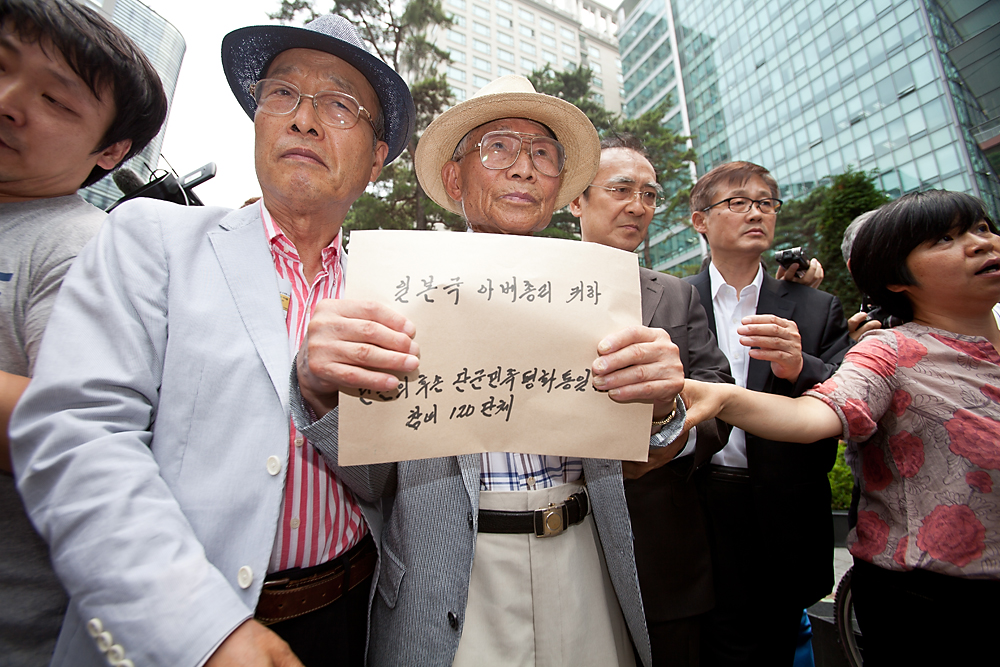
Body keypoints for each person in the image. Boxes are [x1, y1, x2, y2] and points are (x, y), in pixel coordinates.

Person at [10, 15, 415, 667]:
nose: (304, 119)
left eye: (339, 104)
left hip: (353, 619)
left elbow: (398, 477)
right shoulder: (152, 241)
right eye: (282, 93)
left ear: (374, 160)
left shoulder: (392, 297)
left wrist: (328, 408)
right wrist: (202, 628)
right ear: (256, 120)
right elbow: (78, 434)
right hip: (181, 631)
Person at [292, 76, 686, 667]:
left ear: (560, 186)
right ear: (455, 178)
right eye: (498, 147)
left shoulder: (604, 292)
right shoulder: (395, 290)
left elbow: (649, 451)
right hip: (449, 581)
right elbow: (371, 482)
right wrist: (323, 395)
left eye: (542, 154)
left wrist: (661, 408)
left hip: (586, 560)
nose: (523, 168)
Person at [681, 189, 1000, 665]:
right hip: (932, 601)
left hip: (788, 525)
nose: (980, 244)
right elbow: (819, 412)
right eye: (944, 239)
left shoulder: (817, 304)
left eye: (982, 228)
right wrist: (724, 397)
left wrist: (798, 364)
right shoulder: (888, 351)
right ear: (894, 276)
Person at [0, 1, 167, 663]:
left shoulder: (80, 247)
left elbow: (77, 426)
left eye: (57, 101)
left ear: (111, 151)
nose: (11, 104)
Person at [569, 133, 733, 666]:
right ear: (576, 199)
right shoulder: (530, 282)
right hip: (560, 544)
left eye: (650, 194)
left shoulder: (677, 294)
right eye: (621, 189)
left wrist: (672, 441)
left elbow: (719, 396)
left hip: (661, 546)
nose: (638, 206)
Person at [683, 161, 851, 666]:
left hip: (784, 507)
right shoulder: (672, 297)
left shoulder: (817, 306)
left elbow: (849, 396)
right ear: (700, 220)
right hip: (698, 503)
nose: (755, 212)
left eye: (766, 203)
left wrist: (798, 367)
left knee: (777, 641)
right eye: (737, 202)